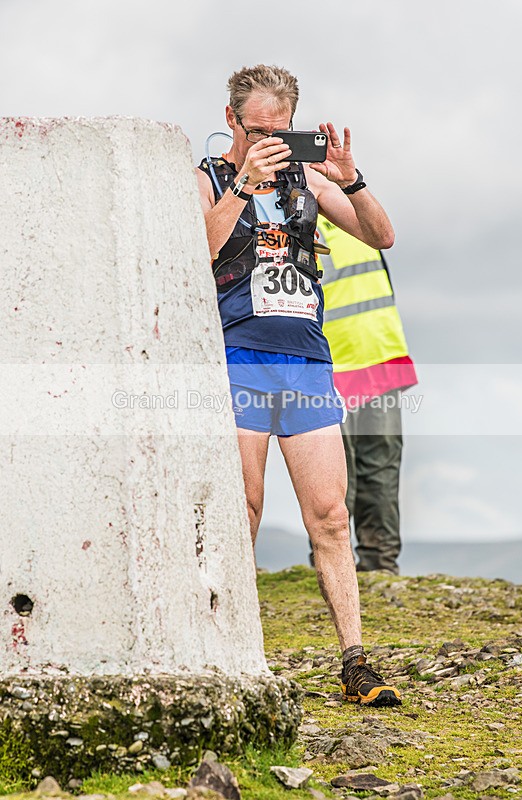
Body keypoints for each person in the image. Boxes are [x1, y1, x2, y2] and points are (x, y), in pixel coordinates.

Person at [196, 64, 401, 706]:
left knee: (330, 516)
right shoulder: (205, 179)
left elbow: (381, 235)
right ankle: (231, 654)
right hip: (238, 358)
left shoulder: (306, 178)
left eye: (279, 131)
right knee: (245, 509)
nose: (269, 142)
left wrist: (351, 179)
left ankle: (355, 661)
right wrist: (243, 185)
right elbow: (195, 252)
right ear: (231, 120)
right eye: (257, 131)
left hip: (305, 361)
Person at [312, 217, 418, 573]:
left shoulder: (358, 212)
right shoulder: (297, 215)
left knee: (380, 469)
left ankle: (380, 567)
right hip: (330, 365)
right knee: (336, 477)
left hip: (379, 355)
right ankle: (332, 567)